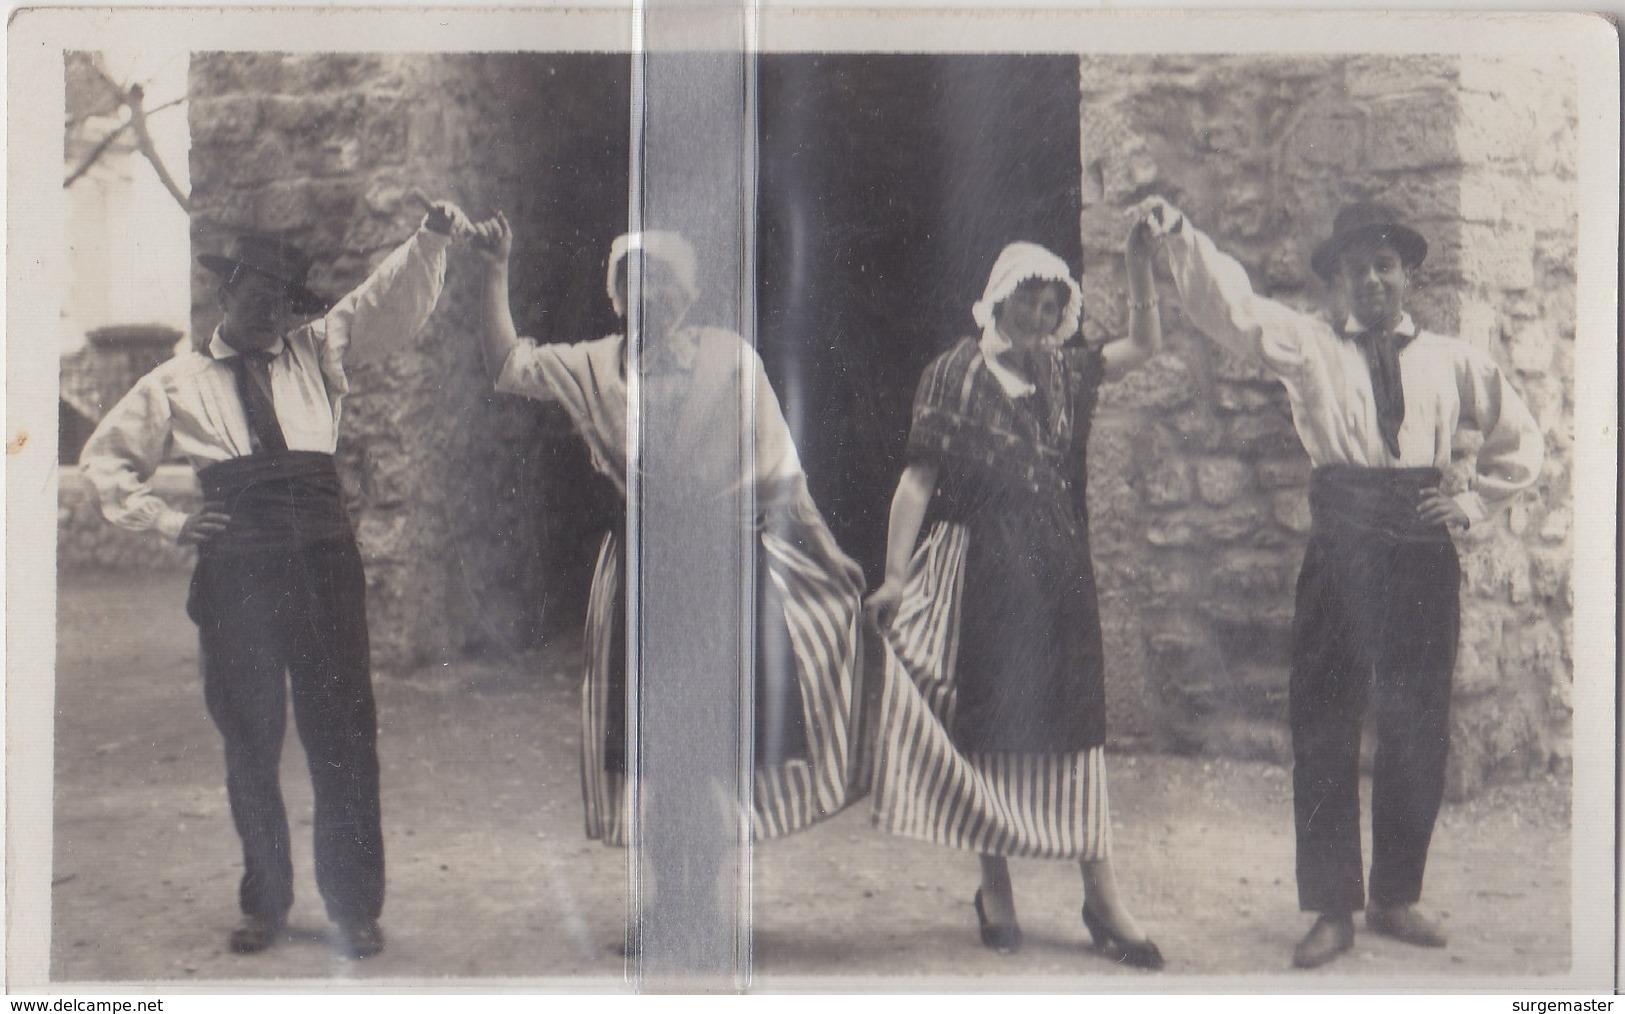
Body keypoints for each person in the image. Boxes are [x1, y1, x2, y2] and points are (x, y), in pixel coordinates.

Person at [1138, 197, 1544, 969]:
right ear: (1339, 282)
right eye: (1355, 268)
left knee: (1416, 720)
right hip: (1341, 551)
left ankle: (1396, 895)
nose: (1370, 280)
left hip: (1421, 552)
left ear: (1407, 274)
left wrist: (1467, 499)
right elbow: (1233, 310)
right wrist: (1180, 237)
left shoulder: (1453, 360)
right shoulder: (1310, 346)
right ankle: (1331, 907)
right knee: (1323, 721)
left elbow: (1520, 439)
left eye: (1383, 265)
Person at [80, 201, 473, 959]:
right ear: (224, 295)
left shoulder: (318, 353)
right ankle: (265, 902)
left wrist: (429, 239)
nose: (270, 311)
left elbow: (382, 302)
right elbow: (105, 459)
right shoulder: (175, 382)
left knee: (345, 736)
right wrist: (167, 521)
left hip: (325, 565)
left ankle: (354, 907)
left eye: (284, 298)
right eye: (256, 293)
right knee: (250, 739)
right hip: (238, 577)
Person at [467, 215, 865, 856]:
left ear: (685, 294)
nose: (645, 295)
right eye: (632, 281)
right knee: (651, 742)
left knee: (710, 742)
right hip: (640, 569)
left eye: (660, 282)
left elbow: (780, 477)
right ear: (617, 295)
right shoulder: (596, 365)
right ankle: (666, 902)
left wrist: (829, 554)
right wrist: (493, 271)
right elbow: (510, 365)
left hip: (719, 567)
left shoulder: (733, 362)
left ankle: (702, 900)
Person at [864, 212, 1166, 969]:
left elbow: (1147, 344)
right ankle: (993, 887)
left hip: (1057, 570)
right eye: (1025, 300)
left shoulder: (1065, 372)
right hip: (980, 568)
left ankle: (1101, 895)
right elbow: (917, 479)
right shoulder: (954, 372)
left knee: (1075, 727)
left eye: (1050, 304)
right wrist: (896, 574)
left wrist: (1136, 265)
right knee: (984, 729)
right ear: (996, 300)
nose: (1038, 315)